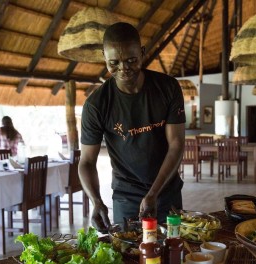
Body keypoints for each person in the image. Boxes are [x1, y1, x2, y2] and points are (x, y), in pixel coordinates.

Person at [79, 22, 186, 233]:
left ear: (143, 52)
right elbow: (87, 161)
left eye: (131, 60)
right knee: (130, 259)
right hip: (126, 197)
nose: (123, 68)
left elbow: (176, 144)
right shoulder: (96, 104)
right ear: (104, 56)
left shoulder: (167, 88)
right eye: (114, 62)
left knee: (172, 254)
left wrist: (154, 194)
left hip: (166, 190)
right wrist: (96, 201)